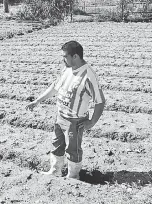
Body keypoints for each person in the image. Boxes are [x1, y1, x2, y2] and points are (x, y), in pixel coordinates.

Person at [25, 41, 106, 179]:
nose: (63, 59)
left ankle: (73, 177)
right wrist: (38, 100)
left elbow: (100, 101)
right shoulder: (66, 69)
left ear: (75, 56)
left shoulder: (88, 75)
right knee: (57, 145)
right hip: (60, 116)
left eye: (65, 56)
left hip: (75, 121)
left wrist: (92, 122)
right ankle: (55, 170)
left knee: (73, 150)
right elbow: (55, 87)